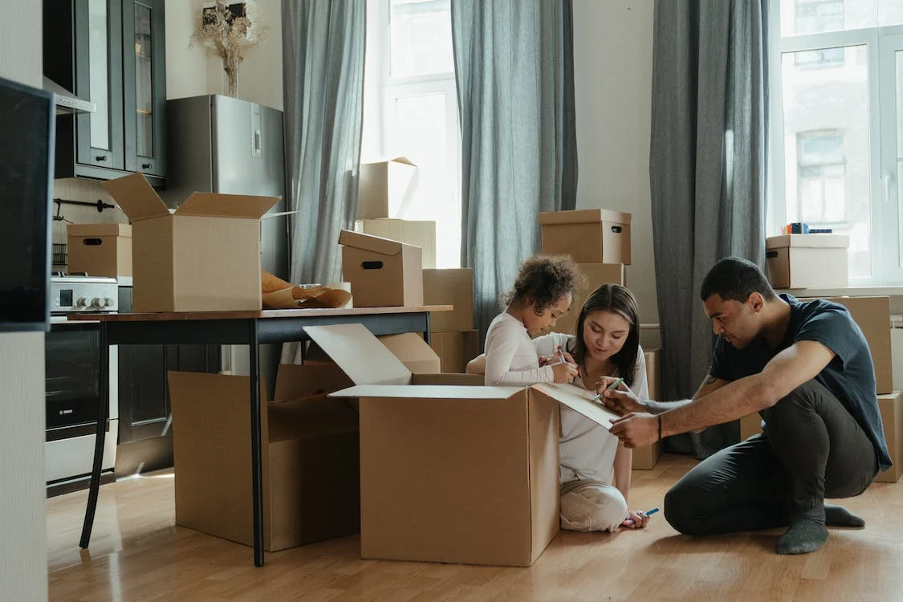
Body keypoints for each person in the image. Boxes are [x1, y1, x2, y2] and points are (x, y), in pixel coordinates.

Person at [603, 257, 890, 555]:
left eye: (721, 317)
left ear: (755, 302)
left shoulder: (828, 319)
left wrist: (659, 428)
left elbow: (770, 388)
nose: (716, 329)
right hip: (783, 452)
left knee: (786, 387)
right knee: (683, 506)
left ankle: (810, 513)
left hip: (851, 462)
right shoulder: (734, 343)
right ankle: (794, 509)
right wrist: (645, 408)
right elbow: (700, 410)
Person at [470, 283, 653, 532]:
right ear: (582, 321)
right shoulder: (553, 346)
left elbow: (627, 434)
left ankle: (532, 514)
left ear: (629, 335)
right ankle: (534, 511)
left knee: (612, 508)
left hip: (585, 486)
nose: (603, 342)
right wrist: (542, 369)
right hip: (538, 475)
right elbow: (475, 367)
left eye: (617, 336)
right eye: (595, 329)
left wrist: (624, 502)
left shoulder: (633, 363)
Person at [482, 254, 581, 386]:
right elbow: (494, 380)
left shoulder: (515, 328)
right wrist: (549, 373)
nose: (553, 324)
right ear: (532, 301)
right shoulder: (506, 329)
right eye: (553, 315)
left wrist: (539, 367)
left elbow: (515, 373)